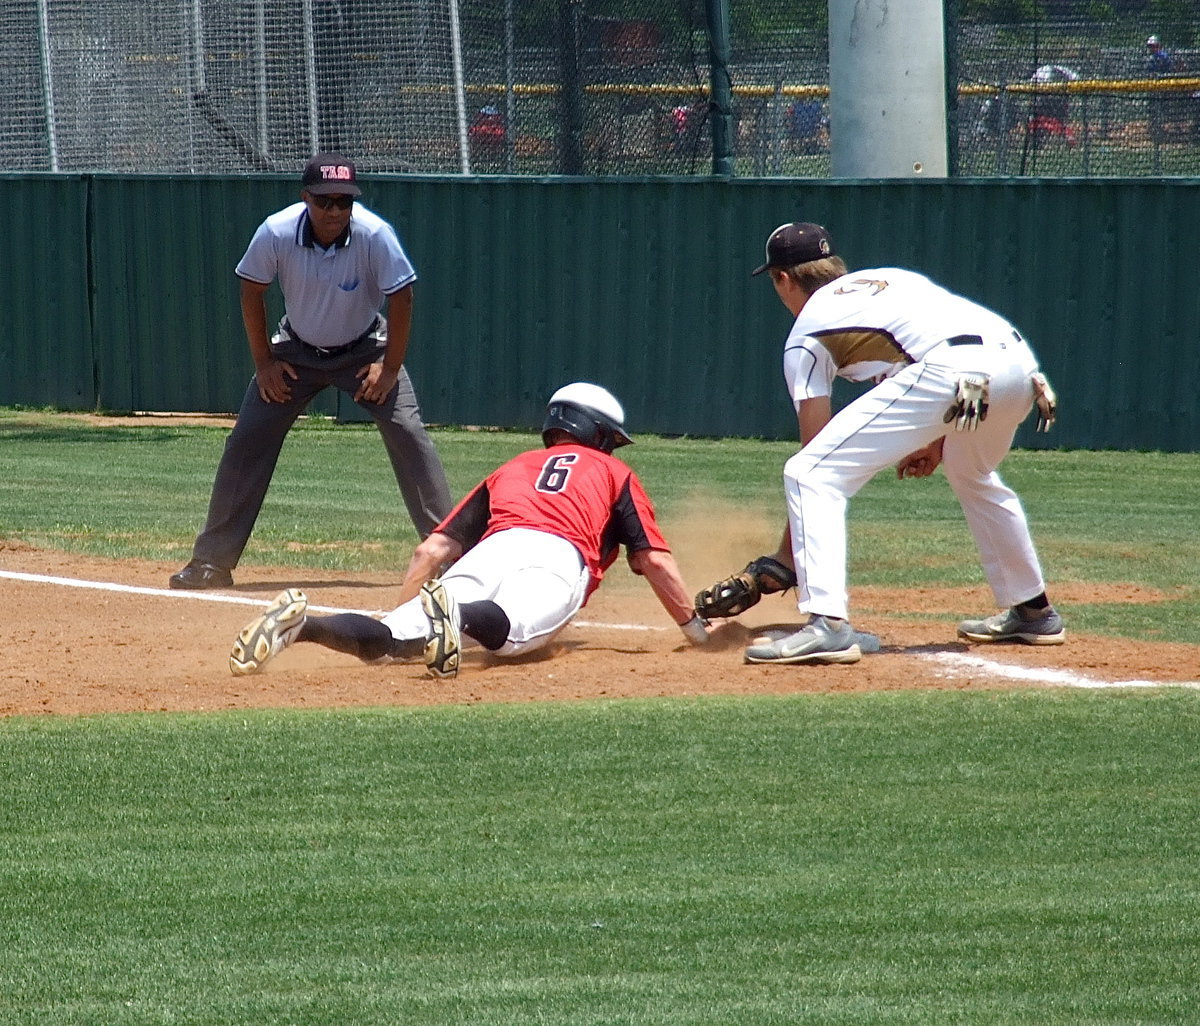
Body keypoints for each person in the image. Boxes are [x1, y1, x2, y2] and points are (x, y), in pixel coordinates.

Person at [700, 222, 1064, 665]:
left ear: (783, 279)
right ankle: (1033, 610)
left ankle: (828, 625)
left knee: (808, 474)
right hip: (1020, 370)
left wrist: (784, 560)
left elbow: (815, 454)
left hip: (952, 371)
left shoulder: (807, 334)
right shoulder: (889, 280)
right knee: (973, 474)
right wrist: (935, 440)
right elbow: (922, 353)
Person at [228, 382, 712, 678]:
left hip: (492, 549)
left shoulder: (514, 466)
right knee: (515, 635)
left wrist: (405, 614)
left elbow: (431, 550)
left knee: (395, 641)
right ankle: (455, 616)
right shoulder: (614, 473)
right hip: (558, 558)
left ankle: (305, 627)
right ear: (601, 435)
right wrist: (696, 631)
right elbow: (653, 560)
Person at [170, 152, 453, 590]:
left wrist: (390, 368)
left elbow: (403, 299)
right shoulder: (276, 231)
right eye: (325, 201)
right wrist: (264, 363)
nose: (335, 211)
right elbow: (251, 292)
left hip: (364, 352)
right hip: (296, 353)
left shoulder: (375, 235)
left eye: (345, 201)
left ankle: (452, 561)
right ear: (306, 199)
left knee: (411, 437)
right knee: (246, 442)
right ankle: (211, 562)